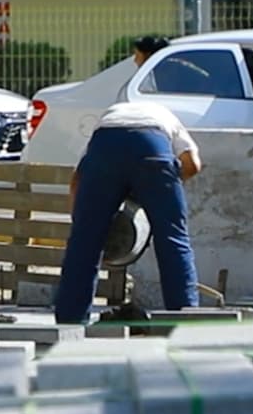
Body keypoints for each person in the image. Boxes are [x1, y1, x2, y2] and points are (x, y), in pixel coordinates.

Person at [54, 99, 202, 324]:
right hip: (151, 146)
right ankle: (184, 317)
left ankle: (69, 321)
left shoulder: (109, 118)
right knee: (173, 239)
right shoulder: (166, 117)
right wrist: (159, 191)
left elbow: (77, 181)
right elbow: (193, 164)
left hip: (106, 149)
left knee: (84, 243)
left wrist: (83, 221)